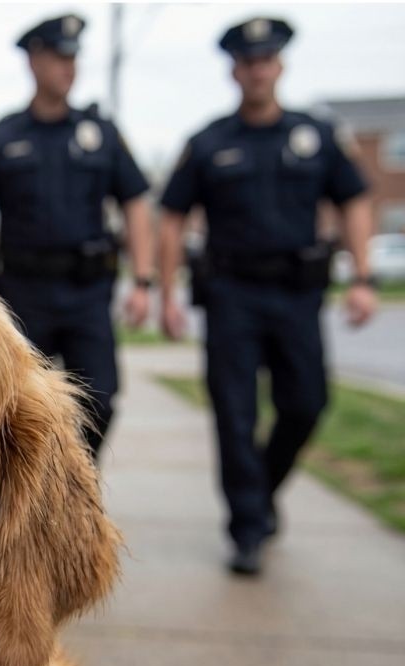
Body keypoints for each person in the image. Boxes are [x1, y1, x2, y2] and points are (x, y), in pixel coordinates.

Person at [158, 17, 377, 576]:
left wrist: (362, 276)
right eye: (247, 61)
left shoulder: (315, 136)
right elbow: (172, 216)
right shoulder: (209, 143)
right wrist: (167, 293)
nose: (257, 69)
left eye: (266, 59)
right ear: (234, 70)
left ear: (279, 66)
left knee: (307, 404)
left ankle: (260, 488)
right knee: (234, 414)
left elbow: (354, 200)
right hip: (231, 295)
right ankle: (247, 528)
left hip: (297, 294)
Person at [0, 13, 155, 458]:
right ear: (34, 61)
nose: (69, 66)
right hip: (22, 294)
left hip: (87, 292)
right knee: (17, 404)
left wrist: (142, 281)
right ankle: (36, 496)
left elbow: (135, 202)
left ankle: (72, 485)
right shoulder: (1, 138)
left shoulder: (100, 135)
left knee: (99, 397)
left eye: (73, 57)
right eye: (59, 56)